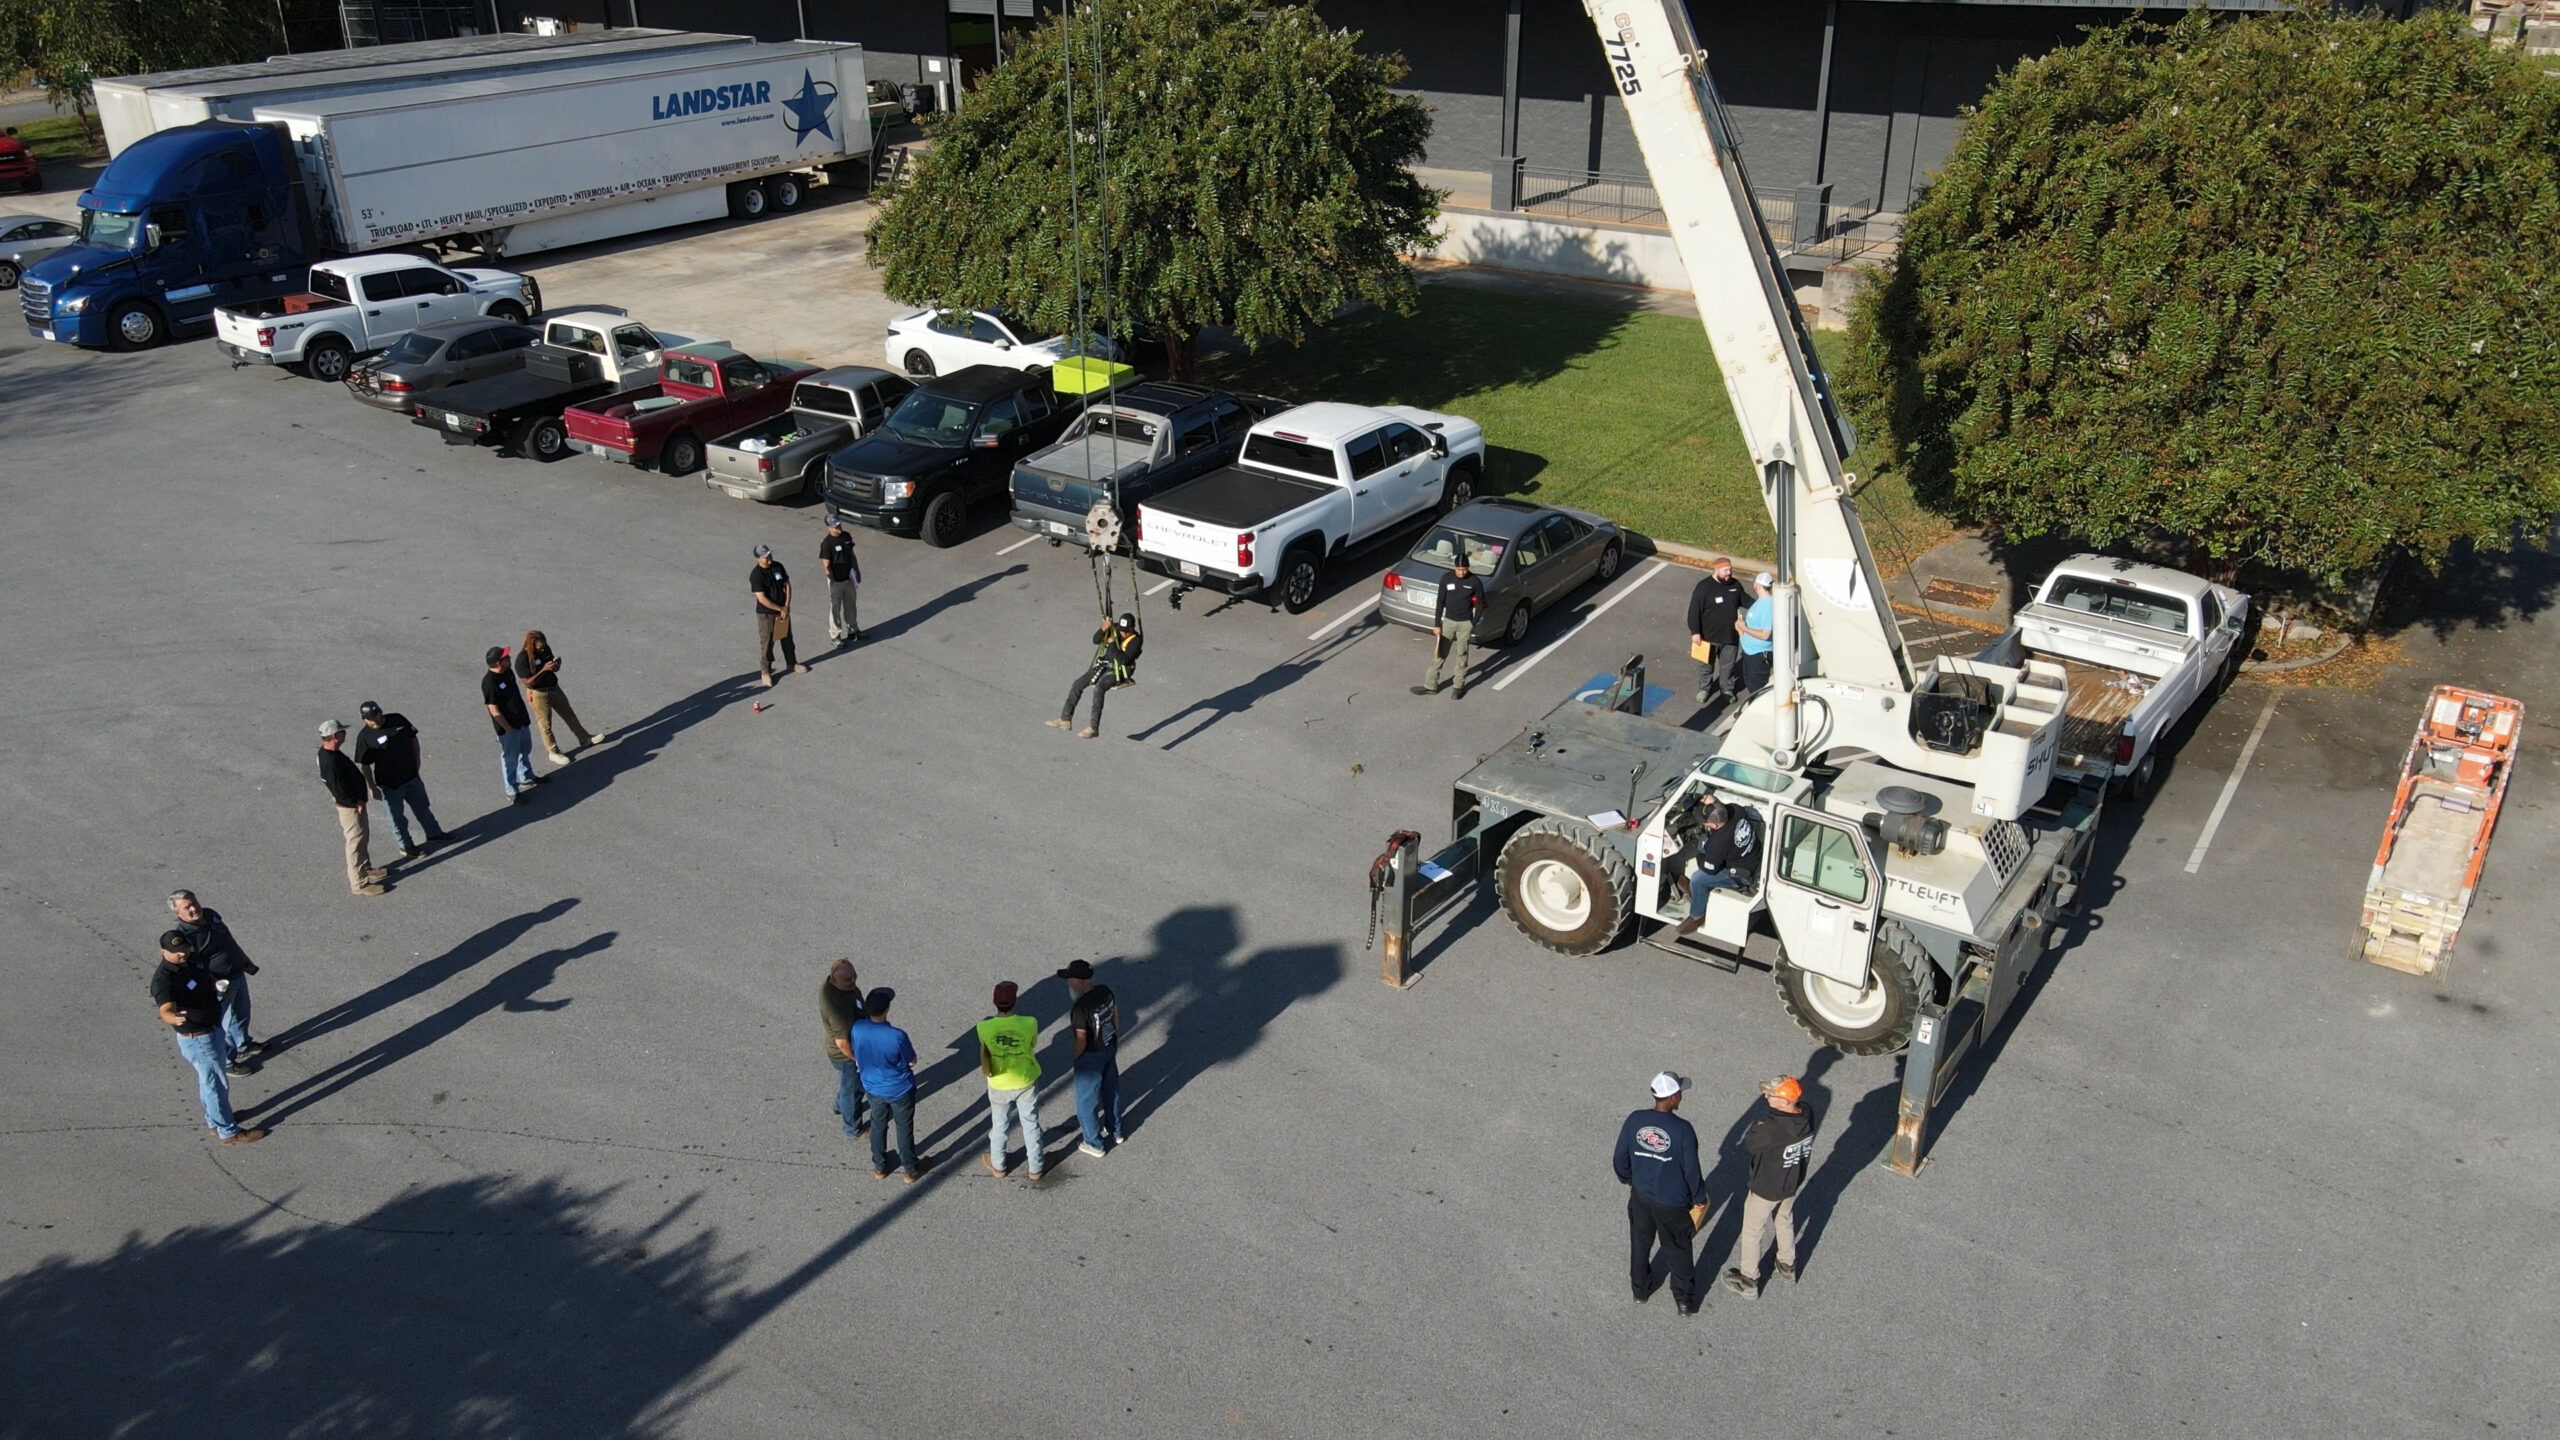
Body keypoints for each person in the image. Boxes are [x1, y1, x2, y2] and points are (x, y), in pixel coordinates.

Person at [152, 931, 266, 1146]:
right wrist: (172, 1018)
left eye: (184, 949)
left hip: (211, 1031)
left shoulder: (191, 961)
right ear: (163, 952)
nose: (182, 954)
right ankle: (228, 1132)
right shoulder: (164, 979)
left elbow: (205, 975)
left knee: (209, 1081)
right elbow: (165, 1008)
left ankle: (215, 1120)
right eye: (176, 953)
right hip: (198, 1038)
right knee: (216, 1084)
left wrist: (216, 984)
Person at [1613, 1071, 1709, 1313]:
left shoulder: (1635, 1119)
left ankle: (1640, 1291)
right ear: (1673, 1097)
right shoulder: (1683, 1129)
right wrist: (1699, 1198)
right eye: (1680, 1093)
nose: (1681, 1097)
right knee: (1678, 1250)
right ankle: (1684, 1300)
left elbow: (1619, 1158)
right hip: (1673, 1204)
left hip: (1641, 1197)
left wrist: (1628, 1180)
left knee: (1640, 1243)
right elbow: (1691, 1171)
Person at [1723, 1074, 1821, 1298]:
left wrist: (1758, 1126)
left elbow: (1751, 1143)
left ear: (1786, 1102)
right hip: (1791, 1181)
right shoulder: (1806, 1114)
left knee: (1752, 1231)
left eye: (1772, 1095)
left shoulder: (1772, 1127)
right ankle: (1787, 1265)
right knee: (1784, 1219)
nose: (1766, 1096)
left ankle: (1749, 1279)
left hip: (1766, 1187)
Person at [168, 890, 264, 1075]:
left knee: (242, 1013)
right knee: (225, 1023)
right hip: (220, 984)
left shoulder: (210, 915)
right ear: (177, 913)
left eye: (194, 902)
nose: (195, 908)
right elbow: (194, 966)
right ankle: (228, 1062)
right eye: (187, 907)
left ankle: (244, 1045)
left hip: (237, 973)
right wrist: (215, 984)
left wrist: (244, 959)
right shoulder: (184, 937)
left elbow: (228, 940)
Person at [355, 701, 450, 858]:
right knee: (397, 818)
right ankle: (406, 846)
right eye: (370, 718)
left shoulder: (397, 720)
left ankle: (434, 833)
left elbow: (413, 739)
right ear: (364, 719)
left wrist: (417, 763)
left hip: (411, 777)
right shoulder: (364, 737)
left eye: (376, 715)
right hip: (389, 785)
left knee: (423, 808)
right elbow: (365, 765)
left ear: (381, 711)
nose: (375, 720)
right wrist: (371, 787)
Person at [852, 987, 926, 1181]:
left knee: (878, 1123)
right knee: (903, 1127)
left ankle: (879, 1166)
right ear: (887, 1009)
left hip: (872, 1086)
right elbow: (912, 1061)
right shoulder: (897, 1035)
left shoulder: (857, 1028)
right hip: (900, 1088)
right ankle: (910, 1169)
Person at [977, 980, 1044, 1179]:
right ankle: (1036, 1167)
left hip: (998, 1081)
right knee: (1030, 1122)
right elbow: (1032, 1044)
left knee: (999, 1124)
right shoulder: (1030, 1022)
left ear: (994, 1002)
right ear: (1015, 1001)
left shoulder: (983, 1027)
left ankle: (998, 1165)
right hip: (1025, 1079)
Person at [317, 719, 389, 897]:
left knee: (362, 837)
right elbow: (338, 790)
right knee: (355, 842)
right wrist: (356, 803)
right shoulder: (330, 762)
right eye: (342, 732)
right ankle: (359, 884)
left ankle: (365, 868)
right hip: (350, 807)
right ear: (334, 736)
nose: (345, 735)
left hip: (353, 803)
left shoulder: (330, 753)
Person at [1059, 958, 1123, 1157]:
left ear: (1079, 982)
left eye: (1069, 979)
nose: (1067, 983)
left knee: (1086, 1101)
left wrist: (1077, 1057)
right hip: (1109, 1046)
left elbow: (1081, 1039)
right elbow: (1115, 1018)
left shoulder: (1079, 1008)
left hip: (1091, 1056)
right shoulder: (1105, 991)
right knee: (1111, 1089)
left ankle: (1093, 1143)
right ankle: (1116, 1130)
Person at [1047, 613, 1142, 739]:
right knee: (1077, 684)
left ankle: (1093, 727)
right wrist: (1103, 628)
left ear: (1131, 630)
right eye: (1121, 631)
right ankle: (1065, 719)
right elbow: (1096, 640)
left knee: (1100, 687)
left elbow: (1123, 660)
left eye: (1126, 632)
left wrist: (1112, 644)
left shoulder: (1136, 640)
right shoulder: (1115, 629)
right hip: (1105, 664)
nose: (1122, 634)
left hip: (1120, 670)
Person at [515, 630, 602, 766]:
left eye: (544, 645)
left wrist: (556, 665)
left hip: (554, 688)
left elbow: (553, 668)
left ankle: (584, 738)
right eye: (540, 646)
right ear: (532, 644)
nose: (543, 648)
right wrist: (544, 669)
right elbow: (527, 682)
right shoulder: (522, 659)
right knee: (545, 725)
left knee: (569, 714)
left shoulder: (545, 649)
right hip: (539, 694)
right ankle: (553, 751)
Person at [1671, 802, 1758, 937]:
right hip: (1752, 855)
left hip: (1741, 874)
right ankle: (1696, 894)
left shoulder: (1718, 843)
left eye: (1705, 822)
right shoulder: (1736, 810)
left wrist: (1700, 856)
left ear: (1714, 825)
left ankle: (1697, 916)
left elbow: (1710, 869)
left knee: (1698, 879)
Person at [1412, 553, 1485, 698]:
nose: (1461, 572)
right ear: (1454, 567)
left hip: (1465, 623)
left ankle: (1458, 686)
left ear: (1468, 568)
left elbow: (1480, 603)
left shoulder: (1475, 582)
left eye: (1464, 569)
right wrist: (1437, 624)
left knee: (1462, 655)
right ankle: (1430, 685)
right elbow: (1440, 602)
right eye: (1458, 569)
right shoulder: (1446, 579)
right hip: (1448, 622)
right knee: (1440, 654)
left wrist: (1473, 622)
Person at [1686, 555, 1749, 703]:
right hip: (1708, 638)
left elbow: (1746, 601)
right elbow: (1694, 611)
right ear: (1716, 569)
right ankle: (1704, 689)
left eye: (1730, 570)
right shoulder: (1703, 587)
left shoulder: (1735, 585)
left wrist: (1764, 604)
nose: (1729, 573)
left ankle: (1726, 689)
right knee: (1706, 666)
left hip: (1730, 637)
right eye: (1725, 570)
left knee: (1728, 666)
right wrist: (1695, 632)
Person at [482, 645, 540, 805]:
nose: (509, 658)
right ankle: (512, 790)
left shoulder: (508, 673)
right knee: (510, 759)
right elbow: (493, 710)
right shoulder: (489, 682)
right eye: (505, 658)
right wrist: (508, 728)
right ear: (497, 662)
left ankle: (527, 777)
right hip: (508, 729)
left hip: (521, 721)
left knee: (525, 750)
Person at [818, 958, 867, 1141]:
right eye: (847, 980)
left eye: (854, 977)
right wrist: (856, 1059)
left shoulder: (839, 986)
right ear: (834, 979)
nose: (853, 982)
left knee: (848, 1085)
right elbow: (842, 1042)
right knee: (853, 1090)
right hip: (844, 1056)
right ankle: (852, 1128)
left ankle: (838, 1105)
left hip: (847, 1049)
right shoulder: (837, 1008)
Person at [751, 544, 806, 687]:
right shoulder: (756, 575)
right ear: (757, 558)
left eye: (769, 555)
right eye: (765, 557)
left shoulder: (778, 566)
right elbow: (761, 598)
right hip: (767, 615)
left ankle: (792, 662)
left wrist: (786, 606)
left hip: (782, 611)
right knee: (767, 643)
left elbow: (787, 585)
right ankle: (766, 672)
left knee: (787, 638)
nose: (769, 558)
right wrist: (779, 608)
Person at [820, 515, 863, 645]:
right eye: (835, 526)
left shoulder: (846, 536)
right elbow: (826, 564)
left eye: (839, 525)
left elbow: (851, 554)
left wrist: (856, 570)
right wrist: (831, 580)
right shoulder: (827, 544)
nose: (838, 528)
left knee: (851, 604)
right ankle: (835, 635)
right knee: (835, 608)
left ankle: (852, 630)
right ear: (829, 527)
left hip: (849, 578)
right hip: (836, 581)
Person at [1735, 572, 1777, 696]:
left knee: (1758, 689)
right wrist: (1741, 631)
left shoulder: (1768, 606)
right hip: (1750, 652)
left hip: (1759, 657)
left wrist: (1744, 628)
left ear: (1757, 585)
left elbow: (1765, 635)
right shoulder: (1760, 602)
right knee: (1750, 683)